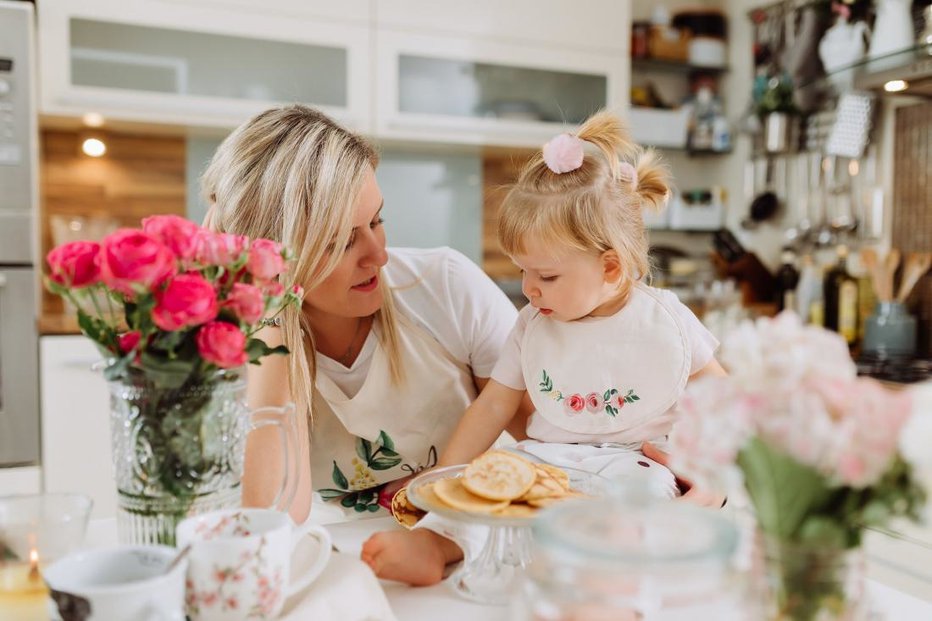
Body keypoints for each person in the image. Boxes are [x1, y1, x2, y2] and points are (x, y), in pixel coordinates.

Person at [362, 110, 727, 584]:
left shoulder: (666, 321)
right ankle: (437, 544)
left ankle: (603, 576)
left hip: (636, 464)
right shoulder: (533, 324)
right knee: (488, 487)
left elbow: (727, 401)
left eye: (547, 276)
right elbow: (492, 406)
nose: (529, 289)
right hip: (544, 458)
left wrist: (714, 474)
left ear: (611, 268)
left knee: (639, 511)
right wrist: (441, 482)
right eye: (523, 272)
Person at [201, 104, 533, 579]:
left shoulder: (445, 287)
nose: (378, 255)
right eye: (338, 242)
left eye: (377, 221)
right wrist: (268, 308)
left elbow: (551, 442)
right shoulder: (247, 344)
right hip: (347, 567)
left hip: (483, 556)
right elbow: (272, 518)